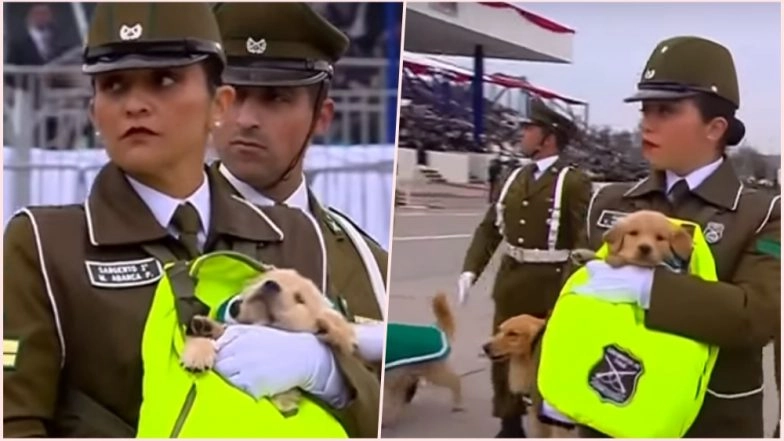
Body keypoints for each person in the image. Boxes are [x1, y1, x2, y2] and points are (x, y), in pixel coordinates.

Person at [3, 3, 376, 437]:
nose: (135, 105)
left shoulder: (294, 235)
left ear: (219, 103)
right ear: (94, 113)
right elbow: (14, 422)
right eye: (114, 85)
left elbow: (369, 414)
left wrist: (328, 376)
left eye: (164, 81)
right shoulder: (47, 248)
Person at [581, 36, 780, 437]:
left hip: (707, 422)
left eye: (666, 110)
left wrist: (646, 287)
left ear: (715, 127)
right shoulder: (609, 203)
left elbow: (756, 316)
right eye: (645, 109)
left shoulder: (762, 214)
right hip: (611, 414)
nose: (647, 122)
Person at [209, 3, 387, 368]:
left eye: (275, 98)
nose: (245, 119)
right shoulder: (169, 232)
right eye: (232, 95)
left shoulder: (369, 264)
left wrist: (343, 384)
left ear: (321, 117)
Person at [458, 98, 593, 437]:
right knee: (503, 350)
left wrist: (574, 288)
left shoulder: (573, 181)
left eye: (530, 129)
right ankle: (509, 421)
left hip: (553, 282)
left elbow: (582, 239)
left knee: (551, 357)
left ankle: (550, 419)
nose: (523, 134)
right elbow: (490, 227)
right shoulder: (513, 176)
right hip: (513, 279)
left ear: (549, 137)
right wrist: (470, 269)